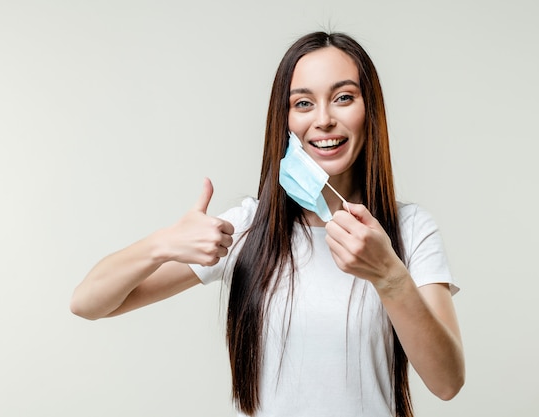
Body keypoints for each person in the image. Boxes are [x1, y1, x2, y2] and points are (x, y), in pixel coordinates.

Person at [71, 31, 465, 417]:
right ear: (286, 120)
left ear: (370, 111)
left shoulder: (410, 229)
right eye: (303, 103)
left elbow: (447, 383)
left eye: (344, 98)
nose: (324, 119)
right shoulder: (249, 227)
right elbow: (88, 303)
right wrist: (161, 244)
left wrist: (390, 276)